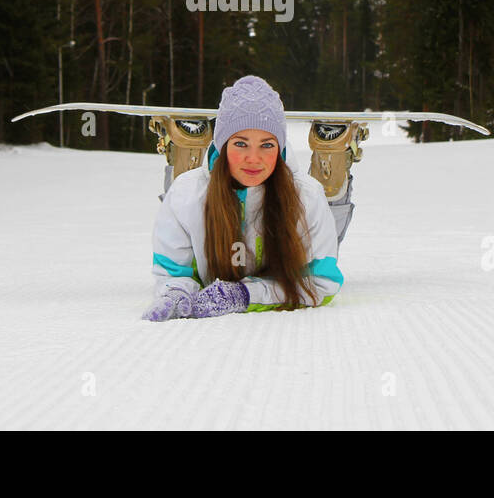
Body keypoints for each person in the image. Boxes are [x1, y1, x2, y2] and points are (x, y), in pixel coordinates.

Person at [142, 75, 345, 321]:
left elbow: (322, 282)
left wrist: (245, 294)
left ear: (280, 148)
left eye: (267, 145)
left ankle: (335, 155)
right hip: (196, 188)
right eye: (240, 143)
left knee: (331, 209)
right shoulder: (185, 193)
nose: (253, 158)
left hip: (305, 213)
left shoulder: (308, 195)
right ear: (223, 145)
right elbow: (173, 272)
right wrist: (175, 292)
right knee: (184, 186)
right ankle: (185, 148)